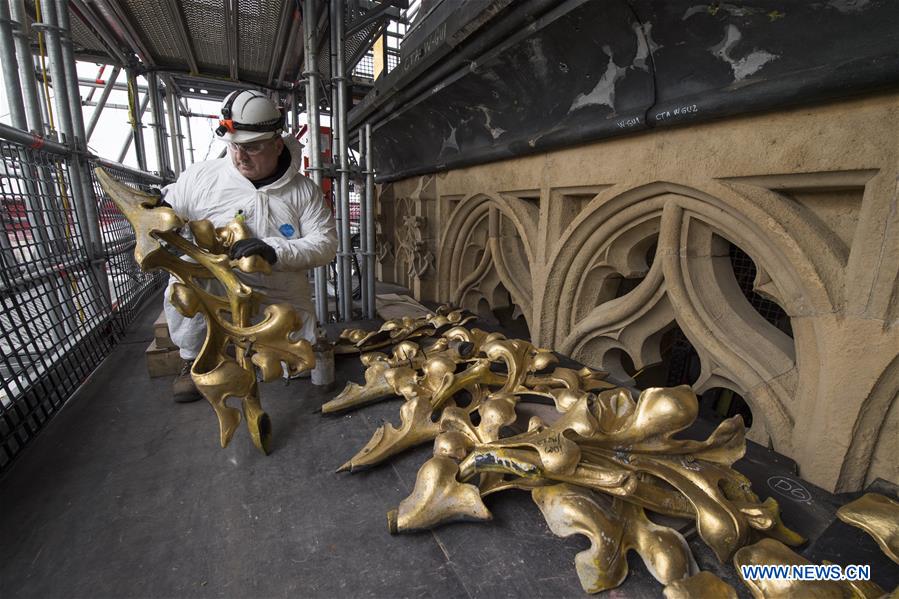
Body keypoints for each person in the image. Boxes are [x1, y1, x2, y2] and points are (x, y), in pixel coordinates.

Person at [162, 89, 337, 402]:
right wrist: (161, 219)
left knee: (299, 359)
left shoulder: (303, 191)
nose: (240, 157)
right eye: (234, 146)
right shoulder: (201, 178)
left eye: (252, 147)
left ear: (277, 144)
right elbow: (167, 212)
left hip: (276, 289)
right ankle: (195, 358)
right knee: (184, 280)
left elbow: (325, 244)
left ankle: (258, 350)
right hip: (216, 287)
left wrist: (274, 250)